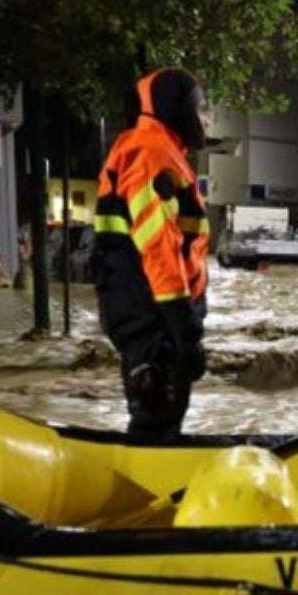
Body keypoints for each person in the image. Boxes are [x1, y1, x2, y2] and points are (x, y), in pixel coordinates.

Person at [90, 67, 211, 438]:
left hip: (154, 316)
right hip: (154, 317)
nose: (206, 119)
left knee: (161, 418)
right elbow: (159, 246)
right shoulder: (150, 153)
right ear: (179, 108)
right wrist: (183, 329)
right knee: (156, 421)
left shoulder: (160, 153)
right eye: (202, 108)